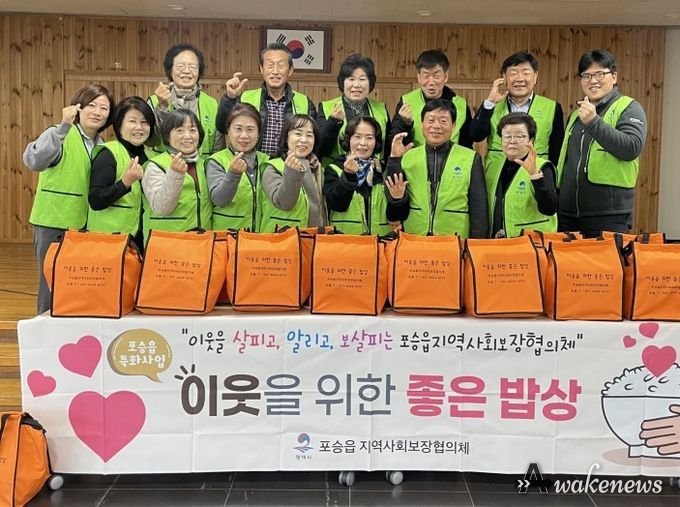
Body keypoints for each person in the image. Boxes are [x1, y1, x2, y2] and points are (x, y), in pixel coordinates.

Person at [23, 84, 115, 313]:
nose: (97, 112)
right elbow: (34, 161)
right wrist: (63, 127)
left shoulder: (101, 146)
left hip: (84, 228)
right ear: (78, 107)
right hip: (53, 223)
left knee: (76, 287)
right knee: (50, 286)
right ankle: (46, 330)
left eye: (104, 108)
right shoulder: (60, 133)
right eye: (92, 105)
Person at [557, 49, 647, 234]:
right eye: (586, 76)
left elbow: (631, 148)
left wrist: (593, 122)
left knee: (607, 255)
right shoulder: (575, 115)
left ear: (614, 77)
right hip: (568, 213)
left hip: (608, 214)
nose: (593, 81)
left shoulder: (629, 107)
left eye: (599, 74)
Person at [386, 99, 487, 238]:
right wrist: (394, 160)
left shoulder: (470, 158)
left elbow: (479, 208)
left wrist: (477, 244)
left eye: (443, 121)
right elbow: (393, 203)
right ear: (422, 124)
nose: (436, 126)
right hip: (414, 238)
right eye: (431, 120)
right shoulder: (407, 156)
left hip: (455, 240)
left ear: (454, 126)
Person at [215, 43, 317, 157]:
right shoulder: (245, 98)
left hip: (288, 164)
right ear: (261, 69)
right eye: (270, 65)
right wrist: (230, 97)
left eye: (281, 66)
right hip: (252, 164)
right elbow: (222, 127)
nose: (275, 71)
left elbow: (313, 139)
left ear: (290, 70)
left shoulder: (304, 102)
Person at [468, 51, 564, 167]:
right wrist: (489, 103)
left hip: (535, 172)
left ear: (535, 77)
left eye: (526, 73)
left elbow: (557, 149)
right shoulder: (493, 105)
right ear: (504, 77)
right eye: (513, 73)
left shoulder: (552, 107)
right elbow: (475, 136)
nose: (520, 79)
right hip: (497, 173)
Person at [88, 96, 156, 248]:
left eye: (144, 122)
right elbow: (95, 200)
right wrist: (125, 182)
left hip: (144, 242)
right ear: (119, 125)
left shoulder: (153, 158)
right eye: (132, 121)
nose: (139, 127)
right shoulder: (109, 153)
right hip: (109, 244)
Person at [323, 116, 408, 235]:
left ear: (376, 142)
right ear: (348, 140)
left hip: (381, 242)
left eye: (369, 138)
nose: (363, 143)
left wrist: (397, 200)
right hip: (345, 242)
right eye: (357, 137)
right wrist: (348, 175)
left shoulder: (384, 171)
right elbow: (337, 205)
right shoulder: (334, 169)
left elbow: (396, 217)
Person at [142, 109, 212, 242]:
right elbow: (161, 208)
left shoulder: (205, 165)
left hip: (202, 244)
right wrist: (175, 173)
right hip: (168, 245)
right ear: (167, 136)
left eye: (192, 130)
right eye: (180, 130)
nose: (187, 136)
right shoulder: (155, 166)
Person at [486, 113, 558, 238]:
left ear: (531, 140)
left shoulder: (542, 166)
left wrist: (535, 175)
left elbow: (550, 208)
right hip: (498, 241)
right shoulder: (492, 167)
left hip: (532, 242)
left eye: (520, 136)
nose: (512, 141)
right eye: (507, 136)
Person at [389, 49, 473, 152]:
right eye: (426, 76)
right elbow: (394, 142)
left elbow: (467, 144)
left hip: (452, 161)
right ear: (419, 77)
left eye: (436, 76)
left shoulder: (461, 105)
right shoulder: (407, 101)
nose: (431, 82)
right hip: (416, 160)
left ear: (446, 76)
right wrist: (404, 124)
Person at [206, 103, 270, 231]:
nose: (244, 135)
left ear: (258, 133)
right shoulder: (216, 161)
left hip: (260, 237)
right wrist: (233, 174)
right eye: (238, 129)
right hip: (228, 237)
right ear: (228, 131)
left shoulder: (267, 161)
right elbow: (219, 200)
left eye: (250, 129)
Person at [317, 54, 390, 161]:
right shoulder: (326, 107)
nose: (356, 85)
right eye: (351, 79)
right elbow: (319, 148)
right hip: (336, 170)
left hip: (373, 170)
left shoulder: (381, 109)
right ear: (342, 82)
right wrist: (333, 122)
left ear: (370, 83)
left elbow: (387, 148)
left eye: (362, 79)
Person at [260, 114, 326, 232]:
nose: (304, 140)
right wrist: (292, 172)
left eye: (309, 135)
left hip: (313, 237)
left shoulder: (317, 169)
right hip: (283, 238)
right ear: (286, 137)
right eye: (298, 134)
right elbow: (284, 203)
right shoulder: (272, 167)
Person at [149, 43, 218, 155]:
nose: (186, 71)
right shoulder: (154, 101)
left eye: (192, 67)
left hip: (200, 165)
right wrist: (162, 108)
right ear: (170, 70)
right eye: (180, 66)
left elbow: (218, 149)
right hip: (164, 164)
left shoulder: (212, 104)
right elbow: (151, 141)